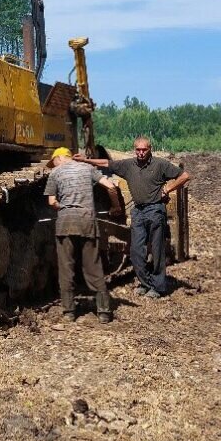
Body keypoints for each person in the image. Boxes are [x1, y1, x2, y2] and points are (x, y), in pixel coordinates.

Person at [75, 137, 191, 298]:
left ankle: (158, 287)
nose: (141, 153)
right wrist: (86, 161)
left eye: (144, 150)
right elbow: (106, 163)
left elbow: (185, 176)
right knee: (136, 251)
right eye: (138, 150)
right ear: (134, 150)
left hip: (155, 210)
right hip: (138, 212)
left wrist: (168, 189)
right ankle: (145, 283)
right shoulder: (128, 165)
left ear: (150, 149)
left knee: (157, 250)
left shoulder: (160, 164)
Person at [44, 147, 123, 323]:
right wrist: (116, 207)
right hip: (87, 221)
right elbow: (111, 186)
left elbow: (52, 201)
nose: (53, 164)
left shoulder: (55, 173)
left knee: (66, 267)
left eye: (53, 161)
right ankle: (103, 312)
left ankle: (69, 312)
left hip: (65, 223)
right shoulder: (88, 169)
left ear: (59, 158)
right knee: (93, 266)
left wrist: (62, 207)